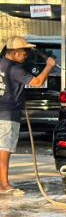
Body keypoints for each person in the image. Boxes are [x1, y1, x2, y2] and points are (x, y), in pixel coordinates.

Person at [0, 36, 55, 197]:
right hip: (8, 114)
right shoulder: (15, 69)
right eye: (24, 52)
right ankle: (4, 184)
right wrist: (49, 67)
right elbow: (37, 82)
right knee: (4, 149)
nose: (26, 55)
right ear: (15, 52)